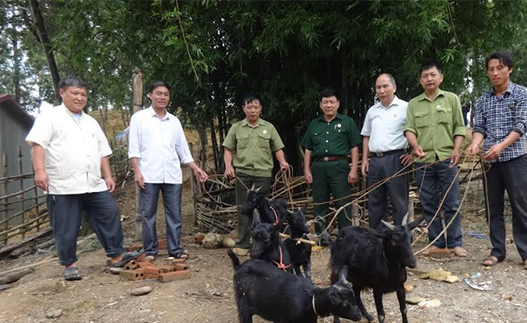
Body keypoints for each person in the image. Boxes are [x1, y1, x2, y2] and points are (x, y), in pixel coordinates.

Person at [26, 75, 140, 281]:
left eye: (83, 94)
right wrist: (40, 171)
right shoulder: (50, 117)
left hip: (93, 183)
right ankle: (70, 264)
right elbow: (38, 145)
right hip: (63, 183)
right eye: (74, 93)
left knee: (109, 213)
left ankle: (116, 255)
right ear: (62, 93)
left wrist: (107, 175)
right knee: (66, 226)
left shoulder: (91, 122)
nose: (79, 98)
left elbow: (102, 151)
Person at [467, 51, 527, 270]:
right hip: (490, 161)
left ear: (510, 69)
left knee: (520, 205)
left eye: (500, 68)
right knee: (493, 207)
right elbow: (480, 128)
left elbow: (520, 126)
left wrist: (501, 146)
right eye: (491, 69)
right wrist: (475, 143)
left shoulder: (521, 93)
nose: (495, 73)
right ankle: (497, 251)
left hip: (514, 157)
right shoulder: (483, 100)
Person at [128, 81, 208, 261]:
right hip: (148, 175)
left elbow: (183, 150)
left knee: (175, 214)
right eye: (158, 93)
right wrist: (137, 171)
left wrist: (196, 169)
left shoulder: (174, 121)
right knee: (148, 214)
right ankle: (150, 251)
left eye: (165, 94)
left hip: (172, 175)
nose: (162, 97)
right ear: (150, 95)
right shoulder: (139, 118)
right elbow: (134, 149)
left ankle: (175, 249)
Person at [404, 61, 467, 257]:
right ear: (420, 80)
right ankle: (436, 242)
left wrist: (457, 149)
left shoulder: (451, 99)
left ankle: (456, 242)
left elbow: (459, 127)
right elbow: (409, 130)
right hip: (424, 161)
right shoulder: (414, 104)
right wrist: (415, 146)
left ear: (441, 77)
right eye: (425, 76)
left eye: (433, 75)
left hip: (448, 159)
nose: (429, 79)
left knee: (452, 203)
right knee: (429, 203)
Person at [223, 94, 289, 254]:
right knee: (244, 208)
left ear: (261, 109)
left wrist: (282, 162)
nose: (252, 110)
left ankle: (264, 242)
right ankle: (244, 244)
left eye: (256, 107)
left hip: (263, 174)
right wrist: (228, 166)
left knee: (263, 209)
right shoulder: (236, 127)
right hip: (243, 173)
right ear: (243, 109)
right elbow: (228, 149)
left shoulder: (269, 127)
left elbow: (277, 148)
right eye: (249, 107)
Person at [301, 88, 361, 242]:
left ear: (338, 104)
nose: (329, 105)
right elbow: (308, 148)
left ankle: (345, 238)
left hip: (339, 166)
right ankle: (322, 237)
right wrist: (307, 170)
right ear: (320, 105)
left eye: (332, 102)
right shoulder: (314, 124)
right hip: (319, 167)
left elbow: (354, 147)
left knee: (343, 202)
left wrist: (354, 169)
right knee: (320, 203)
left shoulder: (347, 122)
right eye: (325, 102)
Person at [361, 73, 413, 229]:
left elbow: (417, 132)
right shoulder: (372, 111)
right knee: (375, 202)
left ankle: (401, 237)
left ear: (394, 87)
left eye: (385, 86)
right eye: (378, 87)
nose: (382, 90)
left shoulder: (406, 107)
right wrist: (365, 159)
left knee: (399, 201)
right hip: (375, 161)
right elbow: (366, 136)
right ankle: (377, 239)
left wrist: (413, 154)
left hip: (396, 158)